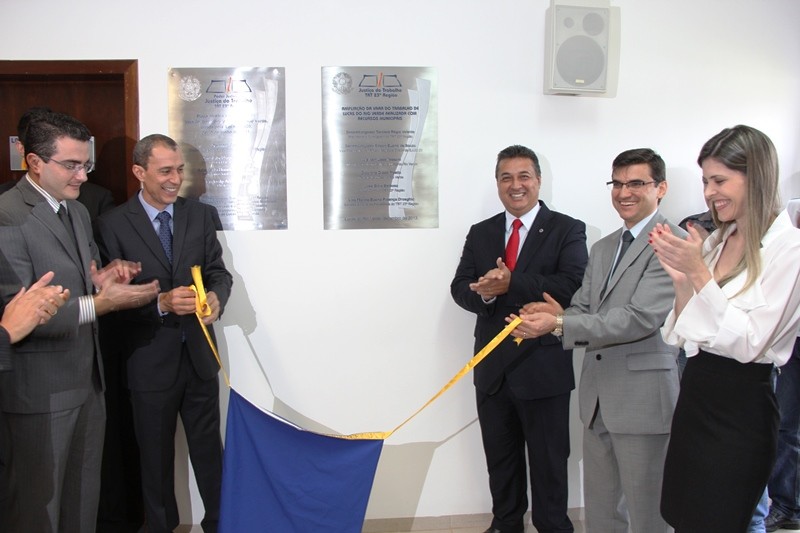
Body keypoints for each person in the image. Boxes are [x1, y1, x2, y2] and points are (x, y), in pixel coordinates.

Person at [0, 111, 159, 532]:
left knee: (82, 506)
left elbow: (79, 279)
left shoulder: (77, 212)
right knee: (37, 512)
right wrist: (101, 304)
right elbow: (19, 315)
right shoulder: (7, 216)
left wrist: (103, 277)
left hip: (89, 384)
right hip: (38, 396)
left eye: (85, 164)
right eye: (71, 165)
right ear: (35, 162)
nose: (83, 176)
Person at [509, 148, 682, 533]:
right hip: (597, 399)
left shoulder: (673, 243)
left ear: (661, 188)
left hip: (642, 401)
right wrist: (556, 317)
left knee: (649, 516)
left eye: (636, 183)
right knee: (602, 515)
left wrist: (559, 323)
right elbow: (584, 309)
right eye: (617, 183)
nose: (624, 192)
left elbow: (639, 318)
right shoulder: (604, 247)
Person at [649, 125, 800, 531]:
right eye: (705, 181)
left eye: (719, 180)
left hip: (742, 409)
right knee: (682, 516)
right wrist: (683, 282)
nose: (709, 192)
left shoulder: (791, 249)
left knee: (722, 520)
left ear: (756, 177)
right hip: (697, 396)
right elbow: (681, 336)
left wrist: (699, 274)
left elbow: (750, 343)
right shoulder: (718, 240)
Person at [96, 134, 233, 533]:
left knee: (211, 455)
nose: (176, 180)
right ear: (139, 172)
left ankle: (220, 524)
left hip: (200, 359)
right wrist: (160, 304)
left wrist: (216, 297)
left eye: (180, 170)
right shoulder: (111, 225)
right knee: (154, 460)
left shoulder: (200, 215)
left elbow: (218, 273)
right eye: (166, 171)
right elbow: (108, 302)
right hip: (148, 362)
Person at [451, 145, 588, 533]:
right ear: (497, 183)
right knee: (501, 460)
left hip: (543, 368)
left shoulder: (567, 229)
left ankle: (553, 527)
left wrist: (512, 281)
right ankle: (505, 524)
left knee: (549, 463)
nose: (516, 185)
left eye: (524, 176)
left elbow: (573, 285)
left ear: (538, 180)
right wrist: (485, 294)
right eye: (506, 177)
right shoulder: (481, 232)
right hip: (492, 372)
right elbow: (460, 287)